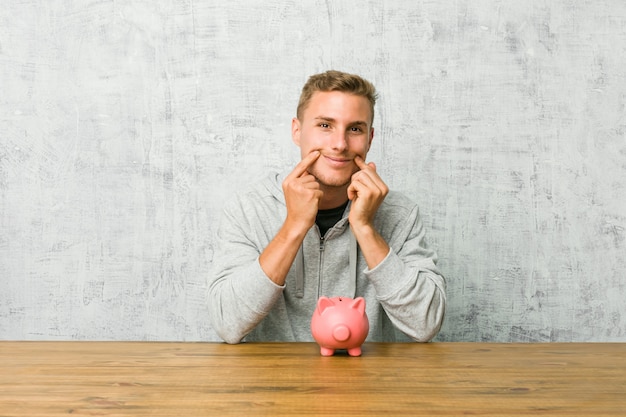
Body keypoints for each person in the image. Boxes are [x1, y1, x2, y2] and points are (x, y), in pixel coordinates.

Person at [208, 70, 445, 344]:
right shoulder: (249, 209)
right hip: (271, 383)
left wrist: (366, 229)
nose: (340, 144)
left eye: (355, 129)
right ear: (297, 131)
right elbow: (228, 323)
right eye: (325, 125)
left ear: (370, 138)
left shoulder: (400, 214)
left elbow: (425, 324)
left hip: (367, 383)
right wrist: (294, 226)